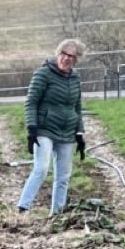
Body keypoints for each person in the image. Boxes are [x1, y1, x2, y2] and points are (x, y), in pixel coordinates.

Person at [17, 38, 86, 216]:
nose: (66, 58)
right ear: (58, 53)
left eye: (71, 56)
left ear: (76, 59)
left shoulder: (75, 77)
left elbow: (77, 106)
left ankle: (56, 215)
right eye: (64, 53)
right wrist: (32, 129)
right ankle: (22, 209)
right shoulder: (44, 74)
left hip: (67, 132)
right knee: (41, 169)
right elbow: (31, 102)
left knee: (63, 176)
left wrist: (79, 133)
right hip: (44, 129)